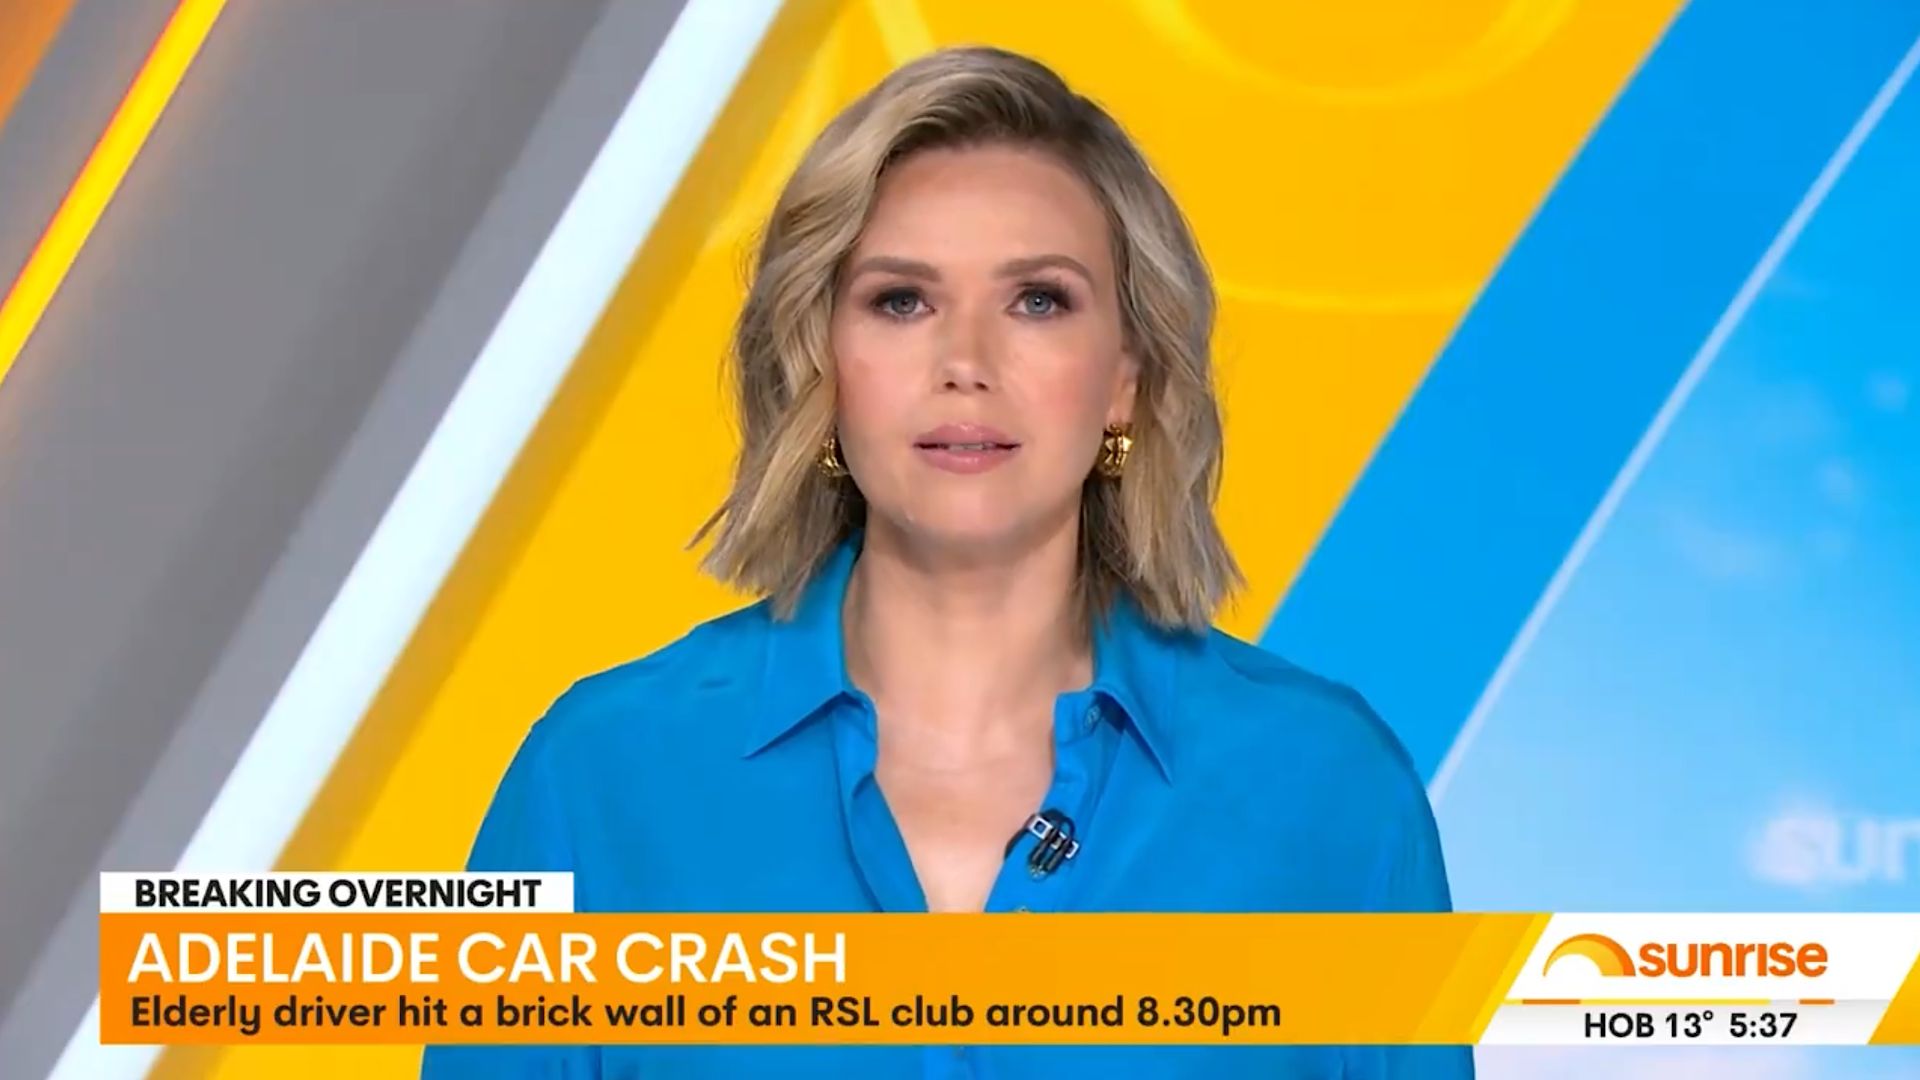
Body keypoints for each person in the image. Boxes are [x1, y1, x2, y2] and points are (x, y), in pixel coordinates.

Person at [423, 44, 1468, 1080]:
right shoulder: (596, 776)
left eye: (1038, 300)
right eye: (902, 301)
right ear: (821, 363)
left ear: (1126, 378)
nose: (966, 363)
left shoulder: (1331, 790)